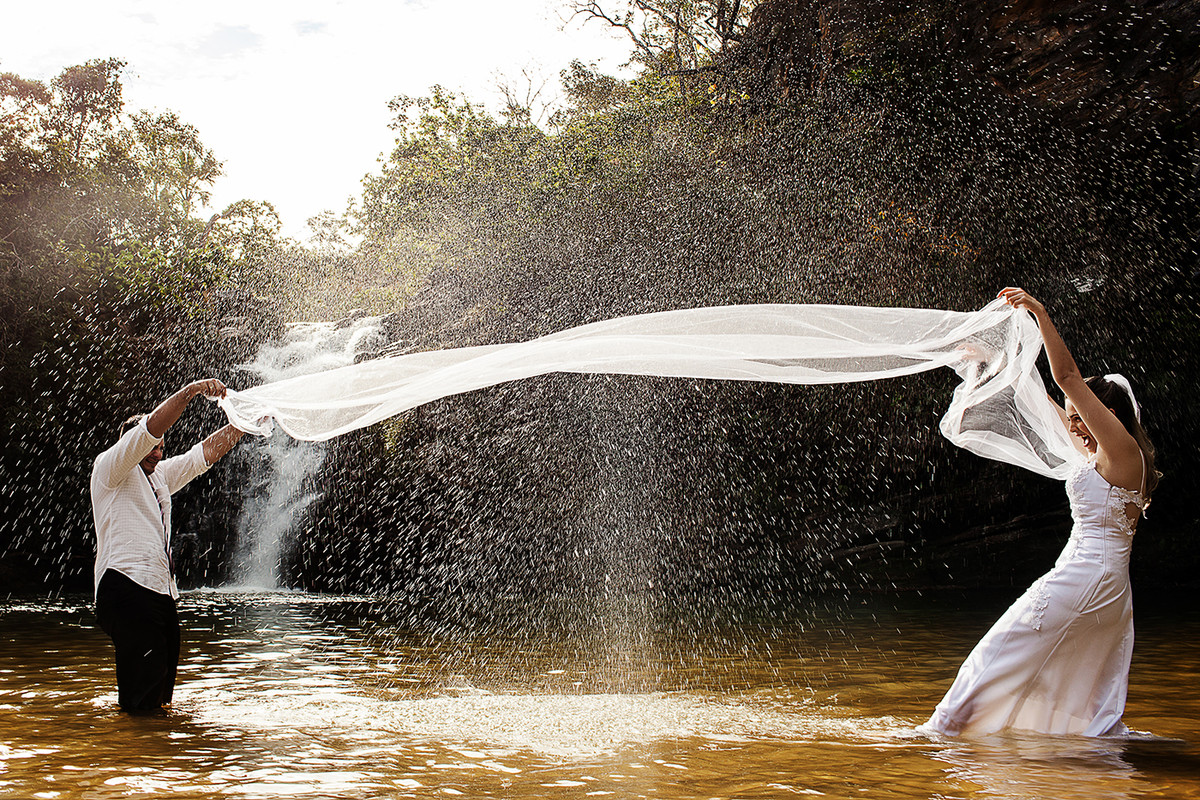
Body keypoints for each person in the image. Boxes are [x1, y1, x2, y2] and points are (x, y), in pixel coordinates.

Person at [920, 287, 1159, 737]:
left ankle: (944, 732)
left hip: (1087, 576)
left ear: (1107, 413)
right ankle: (1055, 751)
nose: (1074, 428)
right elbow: (1047, 404)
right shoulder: (1106, 458)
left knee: (1001, 647)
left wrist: (1041, 314)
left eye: (1082, 418)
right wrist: (993, 360)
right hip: (1099, 579)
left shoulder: (1123, 453)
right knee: (1042, 660)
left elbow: (1067, 377)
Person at [91, 378, 246, 713]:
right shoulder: (111, 467)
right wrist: (190, 391)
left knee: (160, 693)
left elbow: (200, 455)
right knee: (142, 692)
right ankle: (133, 754)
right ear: (130, 445)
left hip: (159, 591)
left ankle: (149, 753)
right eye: (151, 446)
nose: (157, 453)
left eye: (162, 447)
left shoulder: (159, 475)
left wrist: (243, 425)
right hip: (124, 584)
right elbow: (148, 429)